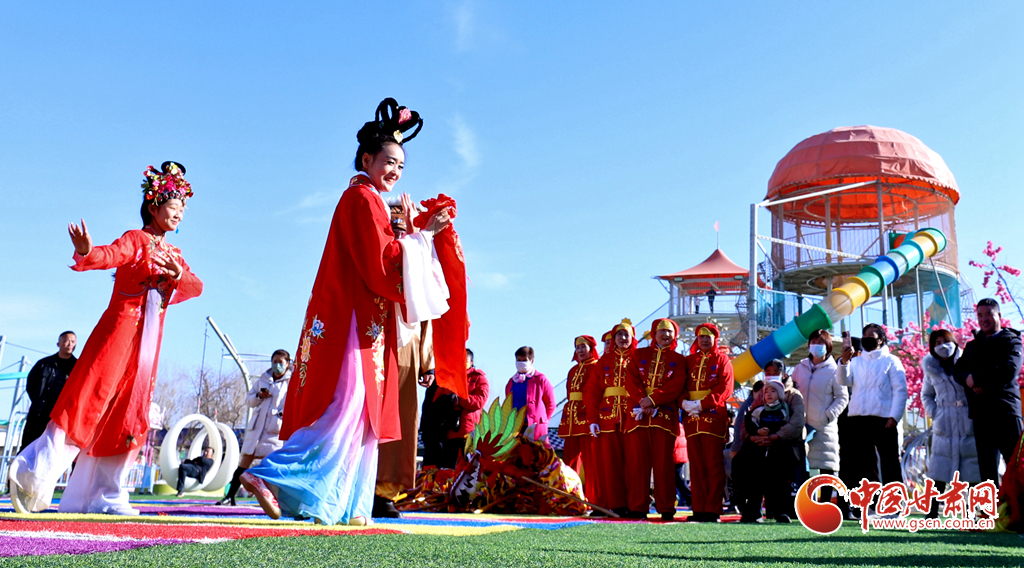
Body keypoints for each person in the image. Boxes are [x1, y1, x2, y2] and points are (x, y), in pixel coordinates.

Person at [242, 99, 451, 526]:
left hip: (366, 323)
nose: (395, 171)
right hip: (351, 323)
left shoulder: (371, 201)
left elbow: (387, 256)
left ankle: (341, 503)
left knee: (361, 415)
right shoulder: (361, 199)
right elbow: (381, 265)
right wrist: (423, 237)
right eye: (388, 161)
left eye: (401, 166)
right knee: (345, 407)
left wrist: (411, 234)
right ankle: (269, 474)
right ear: (366, 159)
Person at [9, 162, 203, 516]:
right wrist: (87, 251)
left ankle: (105, 495)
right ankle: (33, 470)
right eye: (173, 206)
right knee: (90, 400)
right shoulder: (136, 240)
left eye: (183, 209)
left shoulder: (174, 255)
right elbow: (110, 255)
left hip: (146, 348)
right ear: (154, 206)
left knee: (128, 414)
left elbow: (196, 286)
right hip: (117, 335)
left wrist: (179, 275)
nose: (179, 214)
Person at [954, 298, 1023, 488]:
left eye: (988, 314)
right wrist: (969, 380)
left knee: (1016, 466)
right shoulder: (972, 346)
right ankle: (991, 506)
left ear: (998, 315)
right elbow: (958, 371)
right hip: (981, 415)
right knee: (986, 470)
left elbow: (1009, 369)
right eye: (980, 315)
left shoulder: (1011, 341)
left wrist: (977, 378)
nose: (984, 319)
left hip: (1006, 412)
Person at [623, 318, 688, 520]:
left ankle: (666, 508)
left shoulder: (679, 360)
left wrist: (652, 400)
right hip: (639, 416)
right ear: (654, 333)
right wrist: (643, 401)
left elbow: (676, 385)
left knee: (664, 464)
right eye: (662, 331)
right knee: (638, 464)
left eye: (670, 332)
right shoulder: (639, 354)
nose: (666, 335)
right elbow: (630, 380)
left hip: (664, 417)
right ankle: (637, 507)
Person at [218, 349, 292, 506]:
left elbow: (293, 403)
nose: (277, 365)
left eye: (280, 362)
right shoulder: (262, 379)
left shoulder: (291, 382)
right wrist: (259, 396)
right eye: (274, 362)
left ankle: (274, 499)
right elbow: (249, 400)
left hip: (275, 430)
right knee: (244, 463)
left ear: (287, 364)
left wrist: (282, 414)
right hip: (257, 428)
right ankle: (230, 496)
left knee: (273, 466)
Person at [836, 323, 907, 488]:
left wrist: (894, 417)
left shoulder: (891, 360)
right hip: (858, 418)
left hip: (883, 418)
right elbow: (843, 381)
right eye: (865, 334)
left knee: (889, 462)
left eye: (871, 334)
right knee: (865, 463)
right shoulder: (856, 361)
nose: (867, 337)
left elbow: (900, 391)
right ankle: (872, 499)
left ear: (881, 339)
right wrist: (844, 362)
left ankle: (894, 499)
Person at [922, 328, 980, 517]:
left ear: (954, 342)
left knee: (971, 467)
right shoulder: (930, 368)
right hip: (944, 423)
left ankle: (972, 512)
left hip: (967, 419)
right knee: (939, 467)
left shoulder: (966, 362)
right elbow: (926, 395)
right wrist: (935, 413)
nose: (942, 346)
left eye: (945, 341)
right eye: (937, 343)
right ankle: (932, 512)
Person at [680, 322, 734, 522]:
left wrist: (702, 404)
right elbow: (680, 384)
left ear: (715, 339)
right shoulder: (688, 361)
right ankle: (698, 508)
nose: (704, 340)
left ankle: (713, 509)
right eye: (701, 336)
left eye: (708, 337)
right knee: (696, 465)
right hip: (692, 419)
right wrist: (684, 402)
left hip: (713, 417)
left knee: (713, 465)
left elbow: (725, 387)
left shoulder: (722, 360)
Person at [584, 319, 637, 517]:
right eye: (619, 335)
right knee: (610, 465)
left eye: (626, 335)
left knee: (633, 465)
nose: (623, 338)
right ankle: (615, 505)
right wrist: (593, 419)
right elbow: (593, 392)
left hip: (633, 418)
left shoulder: (639, 358)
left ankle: (635, 504)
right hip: (608, 419)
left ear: (633, 338)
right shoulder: (604, 361)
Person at [790, 329, 848, 508]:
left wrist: (827, 416)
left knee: (826, 466)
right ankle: (805, 504)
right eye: (814, 342)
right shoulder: (800, 368)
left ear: (828, 346)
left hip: (824, 426)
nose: (816, 346)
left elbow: (842, 397)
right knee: (803, 466)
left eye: (821, 343)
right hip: (802, 426)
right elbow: (791, 391)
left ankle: (825, 505)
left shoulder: (834, 370)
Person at [737, 378, 798, 523]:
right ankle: (753, 512)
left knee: (777, 483)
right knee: (755, 482)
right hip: (758, 451)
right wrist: (758, 432)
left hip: (777, 451)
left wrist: (774, 436)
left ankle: (780, 512)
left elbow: (787, 427)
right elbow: (749, 422)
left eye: (773, 391)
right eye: (766, 392)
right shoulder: (759, 410)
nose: (769, 394)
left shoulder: (785, 410)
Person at [421, 348, 488, 469]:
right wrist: (449, 400)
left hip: (468, 431)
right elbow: (437, 399)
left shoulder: (479, 378)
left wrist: (459, 400)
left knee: (468, 468)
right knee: (448, 468)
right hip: (449, 430)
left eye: (465, 360)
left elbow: (480, 401)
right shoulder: (449, 377)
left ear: (471, 362)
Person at [557, 335, 600, 502]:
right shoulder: (573, 370)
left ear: (591, 348)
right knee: (569, 460)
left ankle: (592, 499)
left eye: (583, 346)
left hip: (587, 416)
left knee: (590, 461)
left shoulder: (596, 367)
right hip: (571, 418)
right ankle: (569, 497)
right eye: (577, 347)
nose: (580, 350)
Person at [20, 331, 77, 450]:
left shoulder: (77, 367)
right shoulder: (44, 364)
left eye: (73, 341)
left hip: (60, 417)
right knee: (28, 446)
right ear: (58, 344)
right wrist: (38, 401)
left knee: (53, 449)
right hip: (38, 413)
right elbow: (31, 385)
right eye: (66, 341)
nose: (70, 344)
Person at [505, 346, 556, 443]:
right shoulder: (511, 382)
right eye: (518, 360)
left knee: (537, 451)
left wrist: (543, 421)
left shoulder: (541, 379)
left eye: (524, 360)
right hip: (516, 428)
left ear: (532, 361)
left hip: (536, 428)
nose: (521, 363)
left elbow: (551, 404)